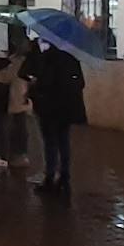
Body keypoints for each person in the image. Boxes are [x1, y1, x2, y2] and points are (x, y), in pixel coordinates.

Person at [29, 40, 86, 194]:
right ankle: (64, 176)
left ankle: (50, 177)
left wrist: (35, 85)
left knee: (50, 143)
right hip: (68, 109)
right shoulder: (72, 57)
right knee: (64, 141)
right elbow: (81, 82)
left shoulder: (49, 57)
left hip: (50, 108)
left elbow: (45, 83)